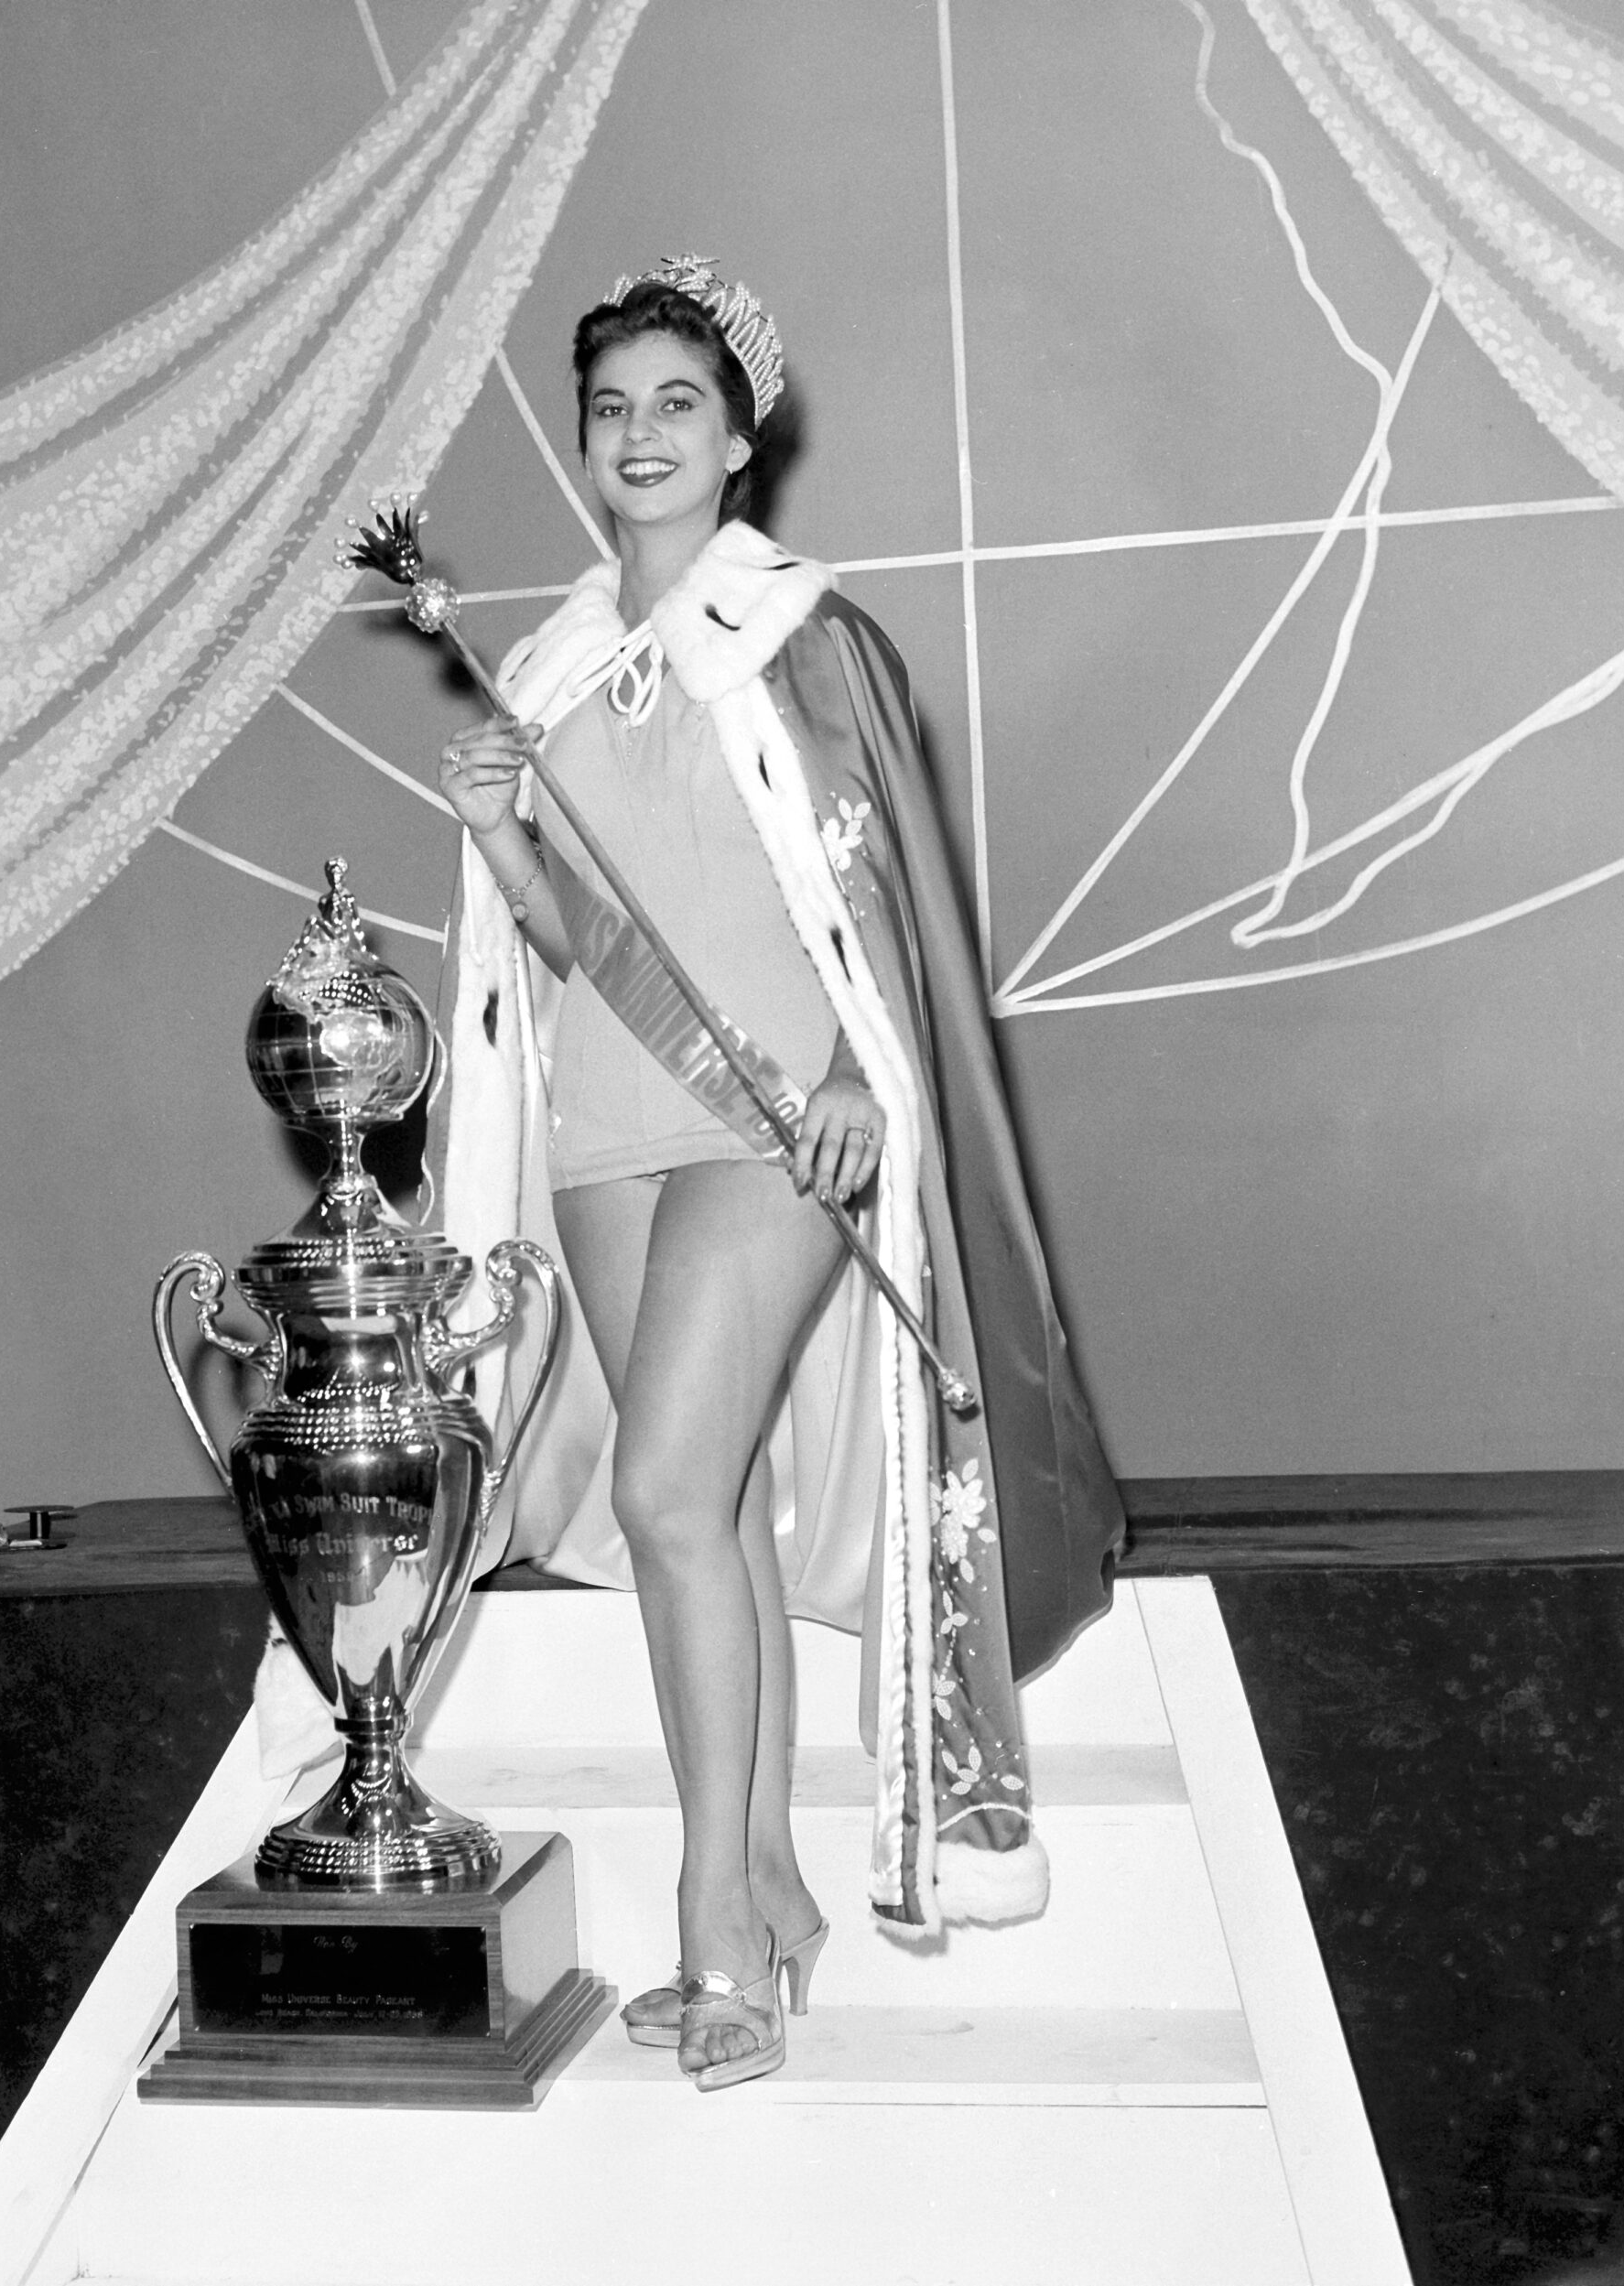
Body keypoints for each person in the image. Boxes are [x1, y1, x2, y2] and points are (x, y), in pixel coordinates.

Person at [429, 257, 1126, 2089]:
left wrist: (850, 1078)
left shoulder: (808, 636)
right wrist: (500, 835)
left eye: (674, 403)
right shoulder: (555, 659)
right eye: (607, 409)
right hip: (601, 1125)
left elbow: (879, 909)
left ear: (739, 436)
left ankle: (712, 1926)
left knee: (661, 1485)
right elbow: (576, 944)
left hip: (768, 1130)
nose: (638, 435)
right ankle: (776, 1885)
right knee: (708, 1509)